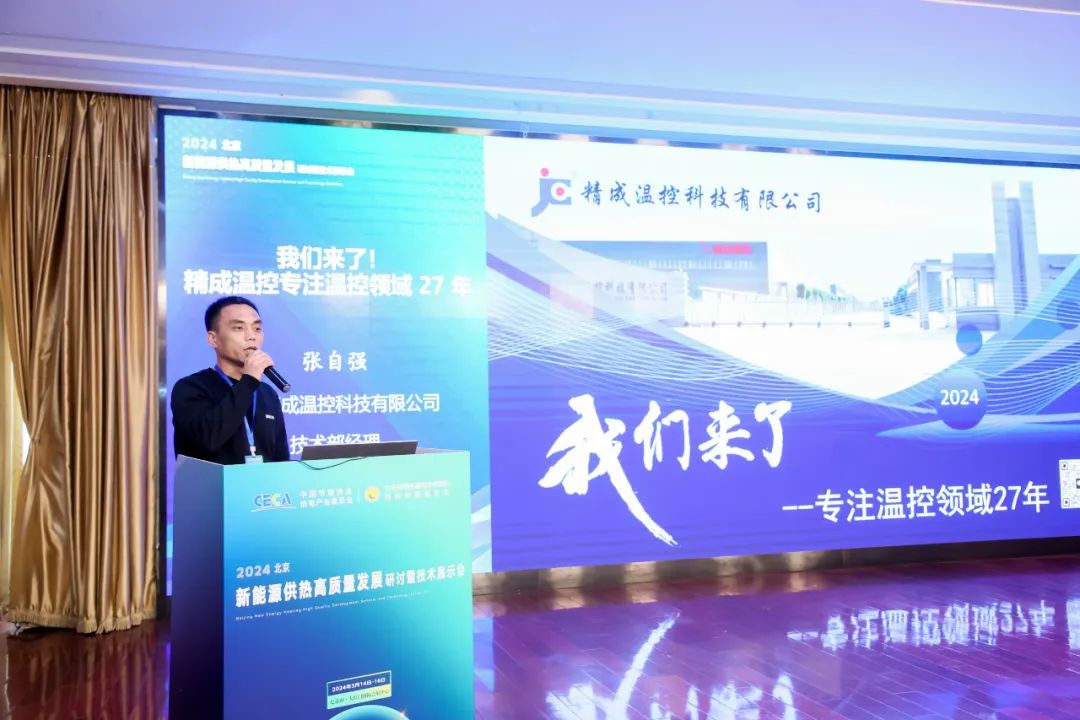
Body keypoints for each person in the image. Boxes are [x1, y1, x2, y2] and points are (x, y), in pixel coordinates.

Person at [171, 296, 289, 464]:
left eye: (257, 328)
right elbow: (208, 439)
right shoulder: (190, 388)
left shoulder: (267, 393)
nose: (251, 336)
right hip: (212, 482)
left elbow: (281, 459)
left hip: (263, 482)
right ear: (213, 339)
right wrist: (249, 381)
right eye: (239, 328)